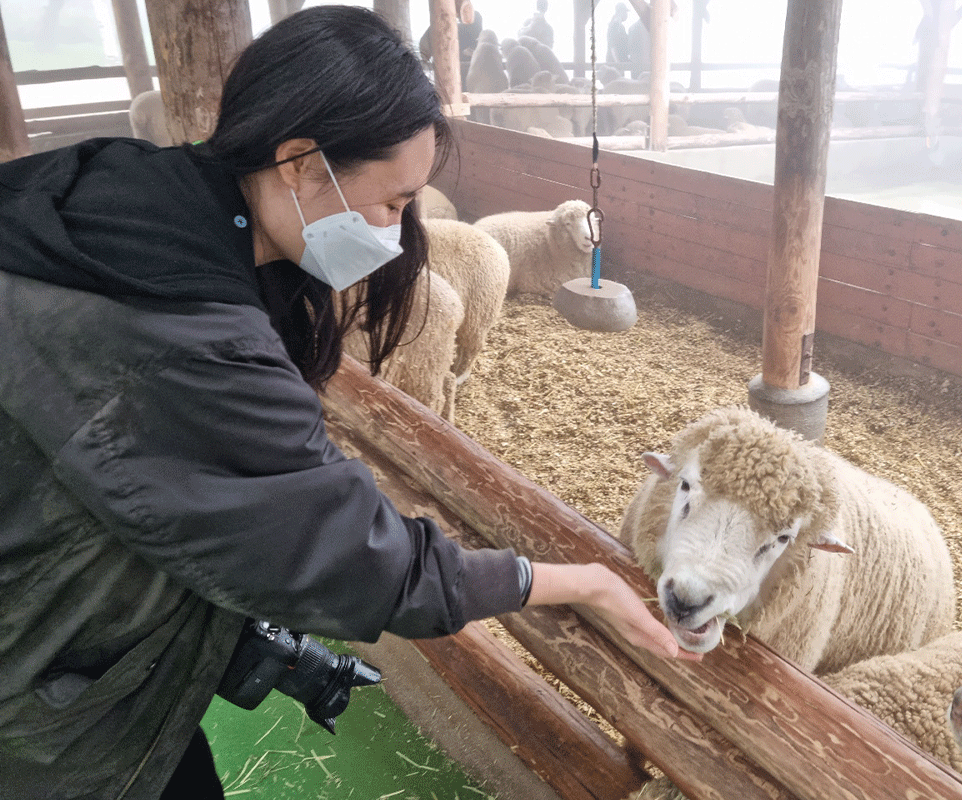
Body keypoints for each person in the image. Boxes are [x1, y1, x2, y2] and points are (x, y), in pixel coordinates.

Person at [0, 6, 696, 799]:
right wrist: (579, 581)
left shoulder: (133, 198)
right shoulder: (182, 331)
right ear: (299, 162)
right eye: (394, 201)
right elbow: (349, 551)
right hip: (41, 691)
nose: (399, 234)